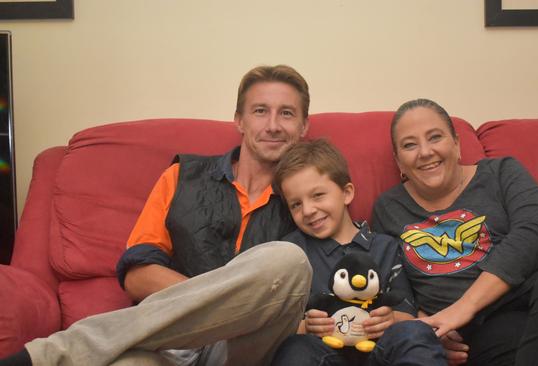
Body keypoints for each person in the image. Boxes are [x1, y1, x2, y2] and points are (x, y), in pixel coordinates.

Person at [0, 65, 314, 366]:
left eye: (286, 113)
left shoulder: (309, 200)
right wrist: (213, 310)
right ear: (239, 120)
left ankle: (50, 356)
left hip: (245, 349)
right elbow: (137, 275)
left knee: (288, 259)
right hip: (169, 345)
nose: (273, 125)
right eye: (260, 111)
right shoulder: (181, 177)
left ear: (303, 127)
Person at [371, 98, 538, 366]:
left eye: (435, 137)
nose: (425, 152)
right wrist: (429, 329)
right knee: (510, 346)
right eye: (409, 145)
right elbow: (396, 286)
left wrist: (463, 307)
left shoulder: (501, 173)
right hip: (490, 331)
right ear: (398, 161)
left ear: (456, 144)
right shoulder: (388, 208)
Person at [269, 139, 447, 366]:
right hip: (323, 353)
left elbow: (408, 315)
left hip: (379, 351)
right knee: (295, 348)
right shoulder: (292, 251)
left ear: (347, 193)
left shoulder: (385, 247)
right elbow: (273, 326)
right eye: (295, 204)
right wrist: (306, 327)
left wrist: (390, 319)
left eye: (317, 195)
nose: (308, 210)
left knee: (416, 334)